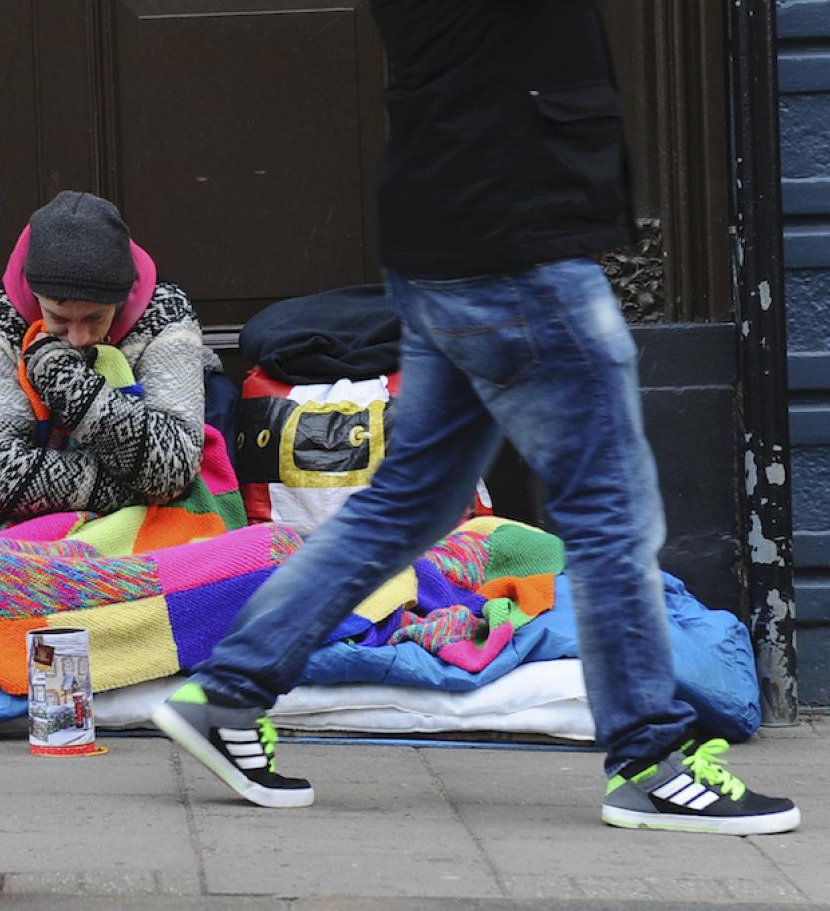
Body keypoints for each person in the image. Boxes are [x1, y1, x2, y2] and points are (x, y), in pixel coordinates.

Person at [152, 0, 801, 836]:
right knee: (609, 511)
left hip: (452, 240)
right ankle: (651, 759)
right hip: (517, 251)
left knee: (410, 503)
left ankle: (231, 689)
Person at [0, 190, 210, 518]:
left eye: (95, 318)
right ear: (34, 295)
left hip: (150, 529)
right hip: (23, 533)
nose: (78, 339)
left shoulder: (166, 310)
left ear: (121, 300)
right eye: (58, 318)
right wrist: (145, 489)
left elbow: (175, 467)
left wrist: (68, 383)